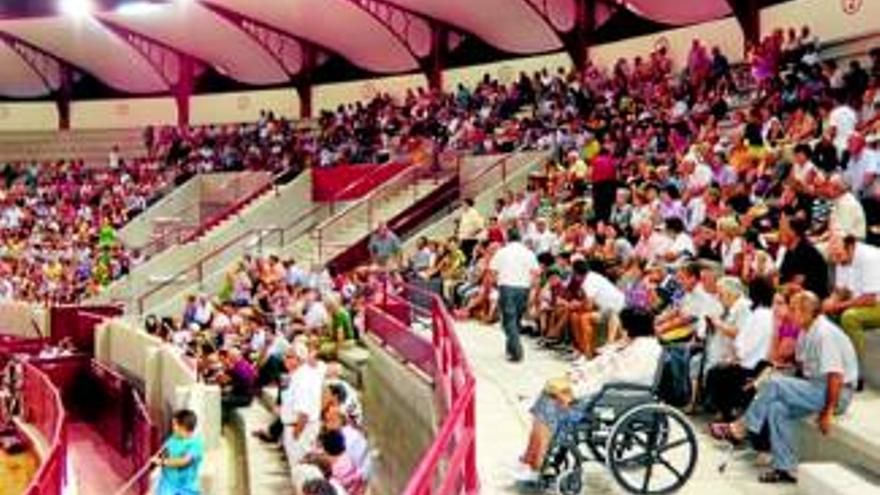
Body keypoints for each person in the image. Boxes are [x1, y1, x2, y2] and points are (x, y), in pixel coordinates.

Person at [711, 291, 858, 484]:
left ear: (806, 312)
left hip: (837, 393)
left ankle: (740, 428)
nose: (789, 313)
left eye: (794, 309)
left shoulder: (824, 333)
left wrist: (828, 412)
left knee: (774, 384)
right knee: (776, 408)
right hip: (816, 387)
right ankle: (785, 468)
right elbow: (805, 367)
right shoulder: (807, 330)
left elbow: (836, 376)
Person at [515, 307, 662, 482]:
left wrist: (575, 391)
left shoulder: (643, 351)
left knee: (550, 403)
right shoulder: (632, 343)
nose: (621, 328)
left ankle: (538, 461)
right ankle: (532, 456)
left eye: (623, 325)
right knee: (546, 397)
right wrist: (577, 374)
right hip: (606, 391)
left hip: (615, 398)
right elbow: (601, 364)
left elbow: (611, 378)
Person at [825, 235, 880, 386]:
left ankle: (856, 372)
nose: (836, 260)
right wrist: (830, 302)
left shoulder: (870, 258)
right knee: (826, 313)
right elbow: (841, 290)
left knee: (850, 317)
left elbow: (870, 299)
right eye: (833, 256)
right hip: (865, 302)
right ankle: (833, 367)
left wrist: (838, 306)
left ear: (850, 248)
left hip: (876, 303)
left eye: (838, 255)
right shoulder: (843, 257)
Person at [489, 229, 539, 362]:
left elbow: (493, 272)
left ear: (508, 238)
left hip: (507, 287)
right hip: (523, 288)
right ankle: (510, 349)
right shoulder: (529, 253)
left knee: (508, 321)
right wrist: (532, 290)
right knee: (516, 319)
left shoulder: (502, 252)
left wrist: (495, 285)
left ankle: (517, 351)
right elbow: (535, 273)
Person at [156, 409, 204, 495]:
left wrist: (162, 462)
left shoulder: (196, 443)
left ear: (183, 427)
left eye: (175, 425)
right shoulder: (172, 440)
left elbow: (184, 461)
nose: (173, 428)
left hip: (187, 487)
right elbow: (164, 453)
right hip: (168, 485)